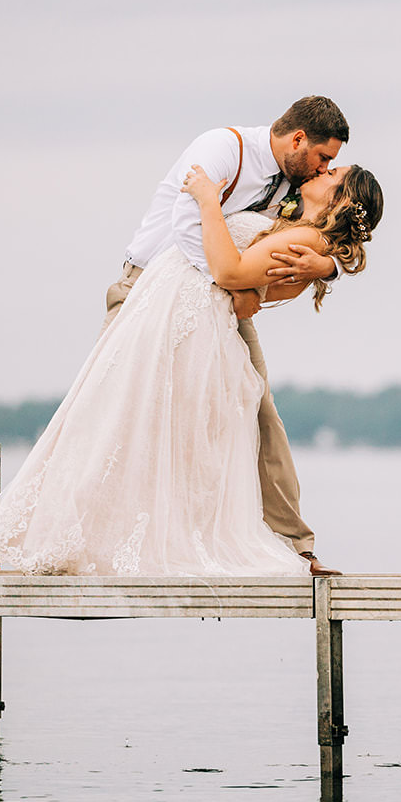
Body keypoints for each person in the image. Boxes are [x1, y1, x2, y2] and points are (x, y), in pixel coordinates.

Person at [0, 155, 384, 577]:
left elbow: (230, 273)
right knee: (118, 417)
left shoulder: (306, 239)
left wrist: (207, 203)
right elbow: (247, 294)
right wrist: (326, 268)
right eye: (326, 162)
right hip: (170, 305)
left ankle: (75, 538)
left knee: (123, 419)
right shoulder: (292, 217)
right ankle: (72, 537)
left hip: (184, 318)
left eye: (333, 173)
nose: (323, 170)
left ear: (343, 203)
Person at [103, 96, 348, 574]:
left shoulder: (293, 182)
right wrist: (235, 282)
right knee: (114, 407)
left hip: (223, 304)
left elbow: (321, 229)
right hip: (147, 290)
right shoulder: (222, 149)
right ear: (298, 140)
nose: (324, 169)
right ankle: (99, 533)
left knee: (258, 408)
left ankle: (294, 543)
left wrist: (330, 267)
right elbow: (187, 225)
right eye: (324, 158)